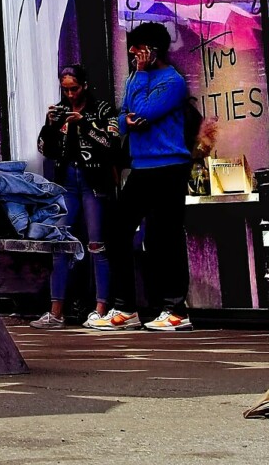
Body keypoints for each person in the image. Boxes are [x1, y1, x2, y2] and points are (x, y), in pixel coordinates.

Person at [87, 22, 193, 332]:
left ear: (152, 50)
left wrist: (140, 82)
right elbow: (122, 118)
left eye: (137, 47)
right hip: (142, 167)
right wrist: (126, 117)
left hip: (169, 167)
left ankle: (176, 310)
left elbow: (144, 113)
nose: (132, 52)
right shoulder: (137, 77)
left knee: (164, 237)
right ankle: (126, 309)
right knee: (115, 230)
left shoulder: (172, 82)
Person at [32, 65, 120, 329]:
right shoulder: (59, 111)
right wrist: (50, 125)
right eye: (65, 89)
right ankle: (56, 310)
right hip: (67, 182)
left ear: (85, 85)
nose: (70, 94)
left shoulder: (102, 110)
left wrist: (85, 126)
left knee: (96, 244)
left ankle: (100, 308)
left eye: (74, 88)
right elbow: (44, 149)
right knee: (61, 244)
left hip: (94, 182)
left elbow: (112, 144)